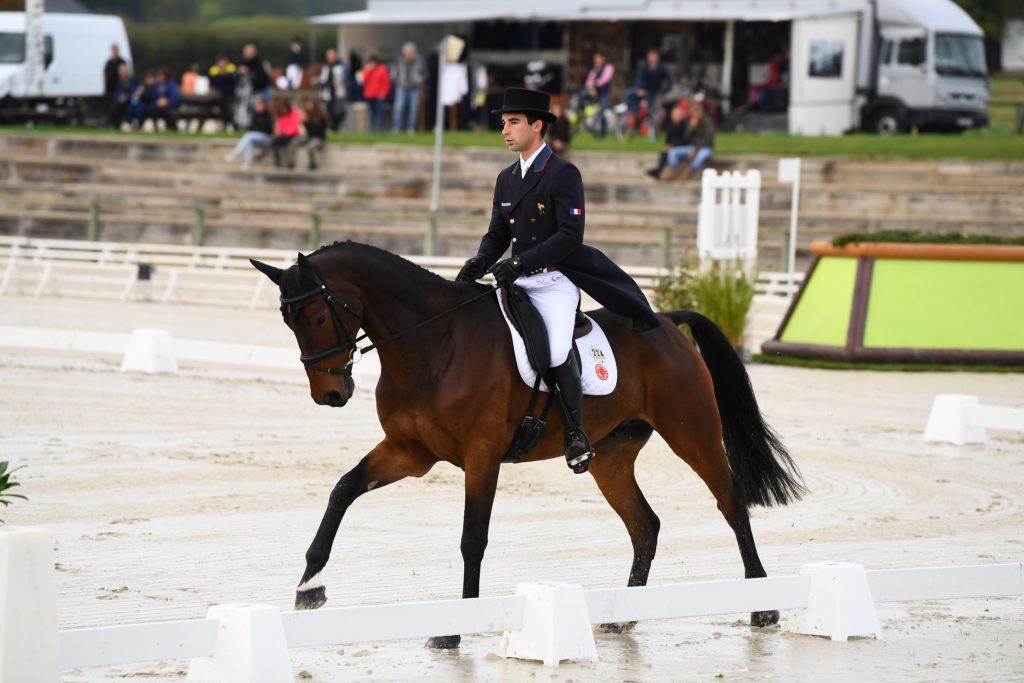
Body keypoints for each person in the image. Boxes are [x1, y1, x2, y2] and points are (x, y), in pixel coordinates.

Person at [455, 88, 660, 475]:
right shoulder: (506, 178)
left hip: (554, 281)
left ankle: (576, 434)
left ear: (537, 125)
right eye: (503, 123)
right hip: (517, 280)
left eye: (513, 122)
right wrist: (481, 259)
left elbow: (570, 235)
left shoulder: (563, 173)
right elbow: (497, 233)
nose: (506, 130)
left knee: (553, 350)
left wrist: (519, 262)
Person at [660, 100, 715, 181]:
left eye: (697, 111)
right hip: (692, 147)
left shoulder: (707, 123)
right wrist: (691, 128)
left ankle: (688, 172)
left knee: (702, 154)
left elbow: (707, 141)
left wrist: (695, 151)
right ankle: (672, 171)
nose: (695, 114)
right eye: (693, 112)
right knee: (673, 151)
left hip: (704, 148)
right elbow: (685, 139)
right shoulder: (689, 122)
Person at [624, 49, 672, 137]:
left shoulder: (662, 67)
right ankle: (634, 113)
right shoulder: (643, 65)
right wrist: (640, 88)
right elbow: (639, 78)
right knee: (628, 93)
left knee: (651, 105)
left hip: (654, 91)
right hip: (642, 89)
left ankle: (649, 124)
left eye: (654, 56)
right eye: (651, 56)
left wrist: (668, 90)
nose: (652, 58)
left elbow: (668, 79)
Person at [223, 96, 274, 169]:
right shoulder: (255, 115)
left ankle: (234, 154)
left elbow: (267, 129)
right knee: (248, 141)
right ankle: (248, 163)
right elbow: (251, 127)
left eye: (260, 105)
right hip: (254, 136)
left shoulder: (268, 115)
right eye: (258, 105)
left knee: (248, 136)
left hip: (266, 137)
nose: (258, 107)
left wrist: (258, 127)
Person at [575, 51, 614, 138]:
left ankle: (602, 133)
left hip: (604, 93)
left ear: (603, 59)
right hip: (594, 92)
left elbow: (604, 80)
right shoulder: (594, 69)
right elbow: (588, 82)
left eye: (598, 58)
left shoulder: (608, 67)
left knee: (602, 111)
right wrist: (591, 88)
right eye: (595, 58)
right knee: (581, 95)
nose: (596, 60)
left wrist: (594, 84)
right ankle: (580, 115)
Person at [391, 42, 427, 134]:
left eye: (412, 52)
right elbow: (393, 73)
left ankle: (411, 128)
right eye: (408, 52)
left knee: (414, 109)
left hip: (415, 88)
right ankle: (396, 128)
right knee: (399, 108)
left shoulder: (420, 61)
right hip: (401, 87)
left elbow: (425, 73)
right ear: (404, 53)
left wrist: (421, 79)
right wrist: (397, 81)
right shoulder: (399, 61)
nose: (410, 54)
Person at [646, 103, 688, 180]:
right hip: (672, 145)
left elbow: (684, 139)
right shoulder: (669, 124)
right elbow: (668, 138)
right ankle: (659, 171)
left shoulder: (684, 125)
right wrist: (667, 145)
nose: (676, 116)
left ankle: (662, 171)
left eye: (678, 114)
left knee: (670, 152)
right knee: (665, 152)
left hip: (681, 145)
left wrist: (672, 145)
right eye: (674, 114)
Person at [318, 48, 349, 132]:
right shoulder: (326, 66)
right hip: (327, 92)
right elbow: (323, 79)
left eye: (331, 56)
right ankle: (331, 127)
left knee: (339, 111)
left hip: (338, 92)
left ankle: (336, 126)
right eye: (328, 57)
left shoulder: (341, 66)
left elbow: (346, 77)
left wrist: (341, 82)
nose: (330, 58)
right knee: (328, 111)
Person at [359, 55, 391, 132]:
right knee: (372, 113)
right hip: (370, 95)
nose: (371, 64)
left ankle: (382, 129)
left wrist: (384, 93)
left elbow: (386, 82)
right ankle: (373, 129)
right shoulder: (367, 69)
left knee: (380, 112)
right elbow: (363, 80)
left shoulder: (382, 69)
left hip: (379, 95)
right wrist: (368, 70)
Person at [209, 56, 239, 131]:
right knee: (222, 109)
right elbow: (214, 81)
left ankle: (230, 124)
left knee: (228, 109)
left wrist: (222, 76)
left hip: (230, 94)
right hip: (220, 95)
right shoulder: (214, 69)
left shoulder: (231, 68)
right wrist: (224, 76)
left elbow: (233, 80)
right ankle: (225, 124)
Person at [271, 97, 303, 168]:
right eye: (281, 108)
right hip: (284, 136)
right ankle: (279, 164)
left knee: (292, 144)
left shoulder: (295, 111)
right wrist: (279, 132)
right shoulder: (280, 115)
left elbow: (295, 126)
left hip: (294, 135)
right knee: (274, 142)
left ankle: (291, 164)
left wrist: (284, 131)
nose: (283, 110)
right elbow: (278, 128)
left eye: (284, 108)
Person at [148, 67, 180, 131]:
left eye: (161, 75)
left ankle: (172, 127)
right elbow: (153, 96)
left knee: (168, 113)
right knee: (151, 110)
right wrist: (157, 102)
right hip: (158, 106)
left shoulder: (171, 84)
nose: (160, 77)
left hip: (168, 106)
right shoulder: (158, 84)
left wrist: (167, 101)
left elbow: (174, 97)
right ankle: (156, 128)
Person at [300, 97, 328, 170]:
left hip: (319, 139)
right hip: (311, 138)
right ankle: (291, 163)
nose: (308, 106)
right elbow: (309, 132)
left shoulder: (321, 116)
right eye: (307, 105)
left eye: (310, 104)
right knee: (294, 141)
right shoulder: (307, 116)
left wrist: (309, 122)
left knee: (310, 147)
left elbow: (320, 131)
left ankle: (313, 164)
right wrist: (305, 122)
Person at [103, 44, 126, 128]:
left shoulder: (122, 62)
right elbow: (105, 75)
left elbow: (124, 74)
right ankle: (110, 122)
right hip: (110, 88)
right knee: (110, 106)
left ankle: (117, 123)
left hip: (119, 87)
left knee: (117, 105)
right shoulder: (109, 62)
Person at [111, 64, 136, 130]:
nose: (121, 74)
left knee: (131, 107)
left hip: (130, 100)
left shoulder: (131, 81)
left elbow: (134, 91)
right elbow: (117, 92)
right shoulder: (119, 82)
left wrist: (127, 97)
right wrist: (120, 97)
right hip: (121, 101)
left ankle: (129, 123)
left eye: (122, 72)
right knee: (115, 106)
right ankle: (116, 124)